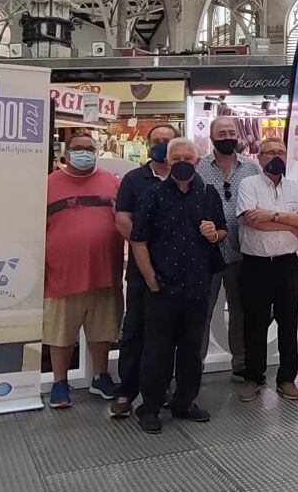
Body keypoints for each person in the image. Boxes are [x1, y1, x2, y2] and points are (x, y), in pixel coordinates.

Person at [130, 137, 227, 434]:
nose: (183, 163)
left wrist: (215, 234)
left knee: (190, 350)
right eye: (177, 159)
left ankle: (184, 401)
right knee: (157, 350)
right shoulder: (153, 195)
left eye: (189, 158)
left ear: (197, 161)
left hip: (197, 287)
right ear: (168, 162)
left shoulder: (208, 194)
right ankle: (151, 406)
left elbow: (222, 232)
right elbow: (139, 240)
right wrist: (150, 279)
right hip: (162, 287)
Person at [43, 133, 123, 409]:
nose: (84, 153)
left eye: (90, 148)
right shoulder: (48, 184)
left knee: (103, 330)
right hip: (61, 273)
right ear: (66, 152)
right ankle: (59, 382)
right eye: (78, 148)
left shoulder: (112, 182)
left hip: (105, 271)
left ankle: (101, 376)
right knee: (60, 333)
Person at [236, 137, 298, 402]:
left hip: (286, 264)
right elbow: (252, 221)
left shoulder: (295, 187)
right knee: (254, 323)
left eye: (281, 152)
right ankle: (253, 377)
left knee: (288, 322)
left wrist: (274, 216)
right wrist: (292, 226)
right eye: (270, 152)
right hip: (256, 264)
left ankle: (287, 378)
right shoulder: (249, 184)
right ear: (259, 157)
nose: (276, 157)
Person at [110, 123, 178, 418]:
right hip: (141, 268)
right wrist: (146, 250)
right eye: (157, 140)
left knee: (166, 333)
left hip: (175, 272)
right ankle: (127, 389)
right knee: (135, 329)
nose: (162, 145)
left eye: (168, 141)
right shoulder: (134, 179)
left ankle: (160, 386)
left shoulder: (185, 179)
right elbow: (122, 219)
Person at [197, 116, 259, 380]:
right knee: (201, 312)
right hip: (206, 254)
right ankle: (193, 365)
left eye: (231, 132)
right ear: (211, 137)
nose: (226, 137)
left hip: (242, 251)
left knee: (241, 312)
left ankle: (242, 364)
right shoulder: (199, 168)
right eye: (220, 133)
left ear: (239, 136)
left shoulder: (252, 168)